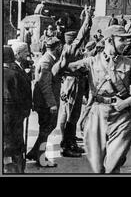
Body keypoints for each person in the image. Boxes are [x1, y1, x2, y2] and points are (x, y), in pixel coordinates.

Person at [57, 25, 131, 173]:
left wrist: (126, 102)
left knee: (112, 166)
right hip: (97, 114)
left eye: (126, 40)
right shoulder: (91, 62)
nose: (126, 43)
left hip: (121, 116)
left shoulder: (130, 64)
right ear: (109, 40)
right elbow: (62, 70)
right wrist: (62, 61)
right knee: (98, 167)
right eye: (122, 40)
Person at [58, 9, 92, 158]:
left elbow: (83, 37)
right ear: (72, 40)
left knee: (74, 115)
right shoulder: (70, 49)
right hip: (72, 84)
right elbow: (82, 36)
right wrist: (87, 19)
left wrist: (86, 18)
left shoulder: (69, 49)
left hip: (75, 82)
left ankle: (71, 143)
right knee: (71, 116)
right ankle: (66, 146)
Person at [26, 37, 63, 167]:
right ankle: (41, 158)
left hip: (45, 102)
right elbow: (44, 85)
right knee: (45, 130)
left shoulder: (49, 59)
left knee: (47, 128)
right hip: (45, 103)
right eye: (60, 47)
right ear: (57, 47)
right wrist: (52, 104)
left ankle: (34, 152)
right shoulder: (47, 62)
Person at [3, 45, 32, 173]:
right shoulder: (15, 75)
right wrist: (26, 112)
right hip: (14, 118)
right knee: (16, 146)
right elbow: (26, 96)